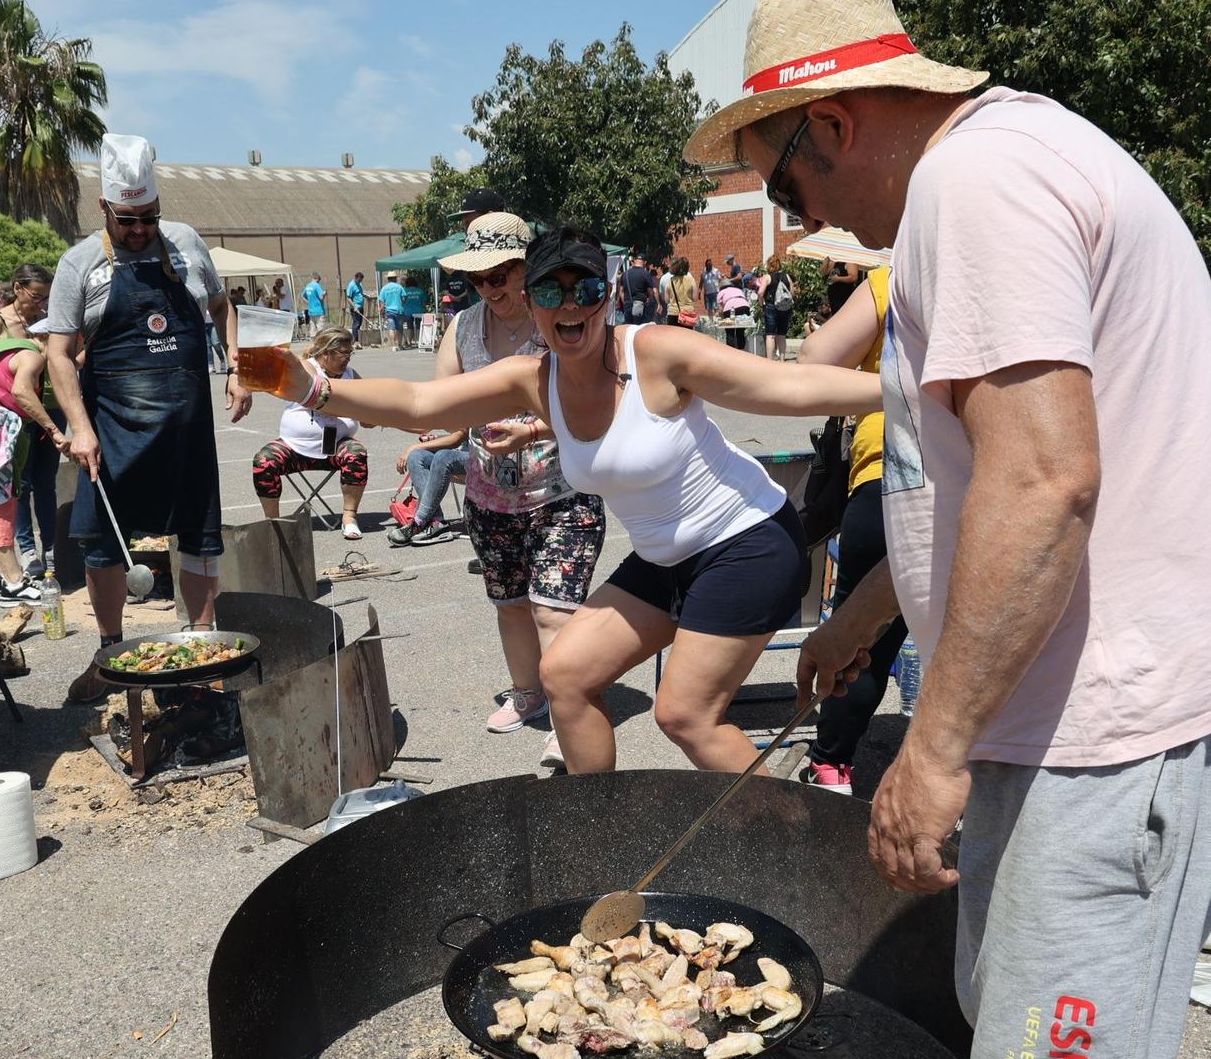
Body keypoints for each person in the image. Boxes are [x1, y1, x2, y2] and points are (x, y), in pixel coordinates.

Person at [728, 0, 1211, 1059]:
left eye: (785, 188)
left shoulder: (974, 184)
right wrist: (869, 610)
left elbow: (1047, 478)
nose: (805, 217)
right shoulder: (1002, 164)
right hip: (1081, 718)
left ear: (827, 127)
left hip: (1130, 726)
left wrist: (930, 748)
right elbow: (982, 474)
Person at [248, 224, 882, 774]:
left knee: (685, 715)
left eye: (586, 289)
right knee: (566, 677)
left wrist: (905, 391)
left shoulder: (655, 353)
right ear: (531, 302)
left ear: (607, 295)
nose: (569, 304)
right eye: (551, 291)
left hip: (747, 542)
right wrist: (315, 389)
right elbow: (419, 404)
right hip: (667, 558)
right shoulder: (535, 378)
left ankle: (793, 833)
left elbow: (790, 386)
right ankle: (590, 830)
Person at [45, 133, 250, 702]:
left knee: (200, 534)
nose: (140, 231)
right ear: (105, 209)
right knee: (104, 544)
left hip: (185, 427)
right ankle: (110, 655)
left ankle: (205, 649)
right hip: (112, 428)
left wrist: (236, 365)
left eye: (149, 218)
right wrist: (79, 427)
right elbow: (57, 354)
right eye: (128, 220)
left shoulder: (184, 244)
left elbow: (220, 306)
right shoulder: (80, 263)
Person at [431, 213, 604, 769]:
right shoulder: (462, 329)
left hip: (563, 492)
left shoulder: (560, 318)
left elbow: (595, 406)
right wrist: (435, 434)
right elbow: (445, 405)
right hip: (490, 498)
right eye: (479, 279)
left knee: (554, 610)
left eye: (502, 273)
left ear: (526, 268)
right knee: (510, 607)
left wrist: (529, 429)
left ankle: (565, 714)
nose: (491, 287)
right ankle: (528, 694)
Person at [796, 266, 908, 793]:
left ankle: (831, 762)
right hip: (980, 479)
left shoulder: (893, 277)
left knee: (863, 641)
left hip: (888, 475)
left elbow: (814, 359)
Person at [0, 333, 67, 602]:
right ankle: (13, 580)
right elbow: (21, 391)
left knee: (6, 501)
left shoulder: (3, 349)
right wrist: (54, 430)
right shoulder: (32, 356)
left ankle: (6, 578)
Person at [252, 327, 369, 538]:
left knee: (356, 453)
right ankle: (272, 524)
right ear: (326, 353)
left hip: (335, 448)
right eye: (343, 353)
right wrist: (354, 405)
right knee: (264, 461)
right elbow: (321, 397)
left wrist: (380, 416)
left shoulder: (352, 376)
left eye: (350, 353)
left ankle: (349, 517)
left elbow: (371, 412)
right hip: (295, 449)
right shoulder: (307, 368)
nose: (348, 359)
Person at [389, 431, 466, 546]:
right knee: (416, 456)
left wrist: (412, 446)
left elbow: (457, 438)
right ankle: (436, 520)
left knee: (442, 457)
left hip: (487, 459)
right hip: (463, 452)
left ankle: (419, 522)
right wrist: (436, 438)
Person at [760, 255, 795, 360]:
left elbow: (760, 292)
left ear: (769, 265)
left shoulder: (767, 277)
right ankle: (782, 360)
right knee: (782, 335)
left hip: (771, 307)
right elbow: (792, 293)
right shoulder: (787, 276)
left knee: (770, 335)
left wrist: (761, 303)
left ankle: (769, 361)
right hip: (785, 308)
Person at [620, 253, 658, 324]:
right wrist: (649, 300)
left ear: (634, 261)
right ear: (645, 262)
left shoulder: (625, 274)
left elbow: (621, 291)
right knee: (639, 329)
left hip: (627, 306)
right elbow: (651, 292)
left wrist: (625, 301)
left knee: (629, 328)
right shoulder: (645, 274)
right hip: (640, 306)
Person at [668, 257, 699, 326]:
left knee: (673, 336)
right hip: (688, 314)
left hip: (673, 313)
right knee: (687, 336)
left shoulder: (671, 280)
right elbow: (695, 298)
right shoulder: (691, 279)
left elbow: (666, 300)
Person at [379, 272, 407, 346]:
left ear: (388, 279)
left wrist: (382, 311)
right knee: (400, 328)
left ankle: (393, 345)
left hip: (389, 311)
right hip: (399, 310)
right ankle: (400, 344)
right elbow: (404, 298)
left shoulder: (384, 288)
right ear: (395, 278)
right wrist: (401, 303)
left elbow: (381, 302)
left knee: (391, 327)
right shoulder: (399, 287)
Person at [345, 271, 368, 342]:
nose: (360, 281)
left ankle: (357, 340)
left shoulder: (360, 284)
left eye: (361, 280)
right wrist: (354, 307)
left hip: (361, 307)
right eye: (359, 280)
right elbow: (348, 298)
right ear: (356, 278)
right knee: (356, 323)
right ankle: (355, 341)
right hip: (355, 308)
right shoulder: (351, 285)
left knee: (359, 324)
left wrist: (365, 296)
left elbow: (359, 294)